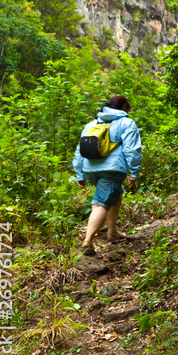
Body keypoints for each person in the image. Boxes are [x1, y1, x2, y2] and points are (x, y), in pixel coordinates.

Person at [72, 95, 142, 256]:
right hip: (112, 169)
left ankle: (112, 232)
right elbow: (132, 150)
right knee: (101, 203)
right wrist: (134, 171)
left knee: (114, 193)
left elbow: (79, 151)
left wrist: (80, 174)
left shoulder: (92, 124)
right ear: (124, 107)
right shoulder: (126, 123)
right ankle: (87, 241)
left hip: (90, 169)